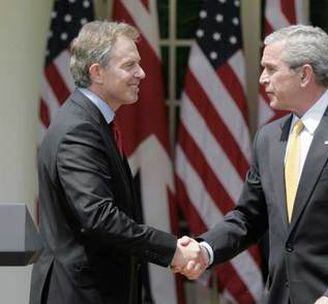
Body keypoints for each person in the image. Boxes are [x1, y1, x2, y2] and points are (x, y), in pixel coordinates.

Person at [177, 25, 328, 304]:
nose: (262, 79)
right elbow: (249, 215)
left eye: (271, 69)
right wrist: (206, 248)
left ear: (305, 74)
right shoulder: (269, 137)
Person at [30, 21, 206, 304]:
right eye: (129, 65)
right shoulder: (80, 128)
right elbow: (99, 217)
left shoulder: (93, 122)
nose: (142, 73)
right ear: (97, 72)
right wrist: (172, 249)